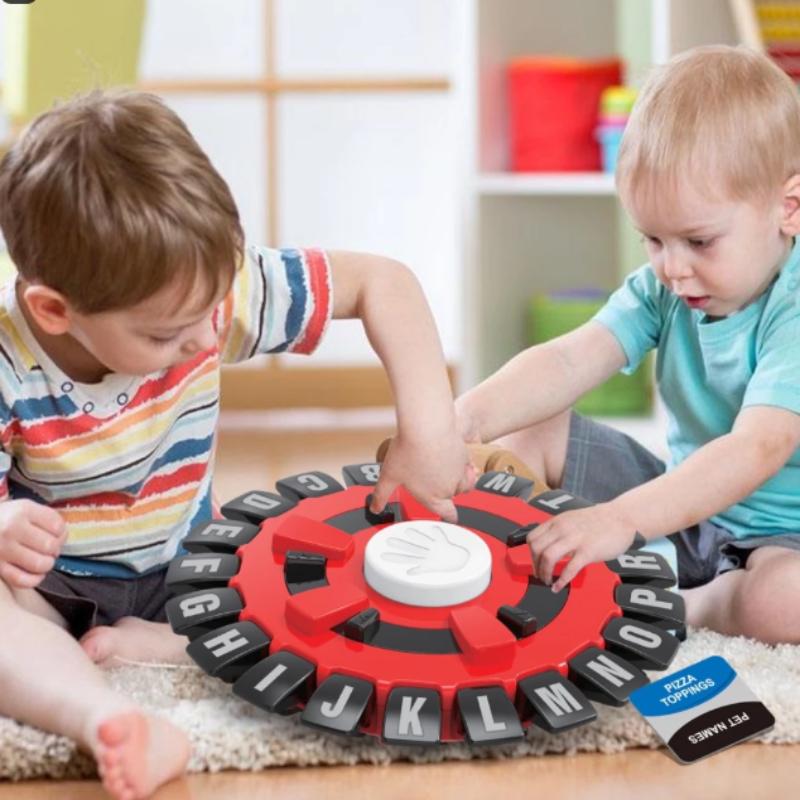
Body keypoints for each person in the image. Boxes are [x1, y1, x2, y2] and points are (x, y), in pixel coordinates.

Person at [0, 90, 469, 799]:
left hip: (193, 569)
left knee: (334, 572)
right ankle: (107, 717)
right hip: (52, 590)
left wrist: (429, 434)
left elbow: (385, 283)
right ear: (54, 310)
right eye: (165, 335)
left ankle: (172, 642)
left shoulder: (199, 294)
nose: (205, 339)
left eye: (214, 309)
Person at [456, 45, 800, 648]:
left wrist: (618, 520)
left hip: (781, 543)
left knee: (785, 603)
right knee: (531, 427)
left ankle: (691, 605)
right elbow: (570, 358)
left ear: (788, 209)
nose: (673, 268)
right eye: (653, 240)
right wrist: (459, 422)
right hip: (682, 508)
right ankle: (519, 568)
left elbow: (756, 448)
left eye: (698, 241)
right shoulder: (664, 287)